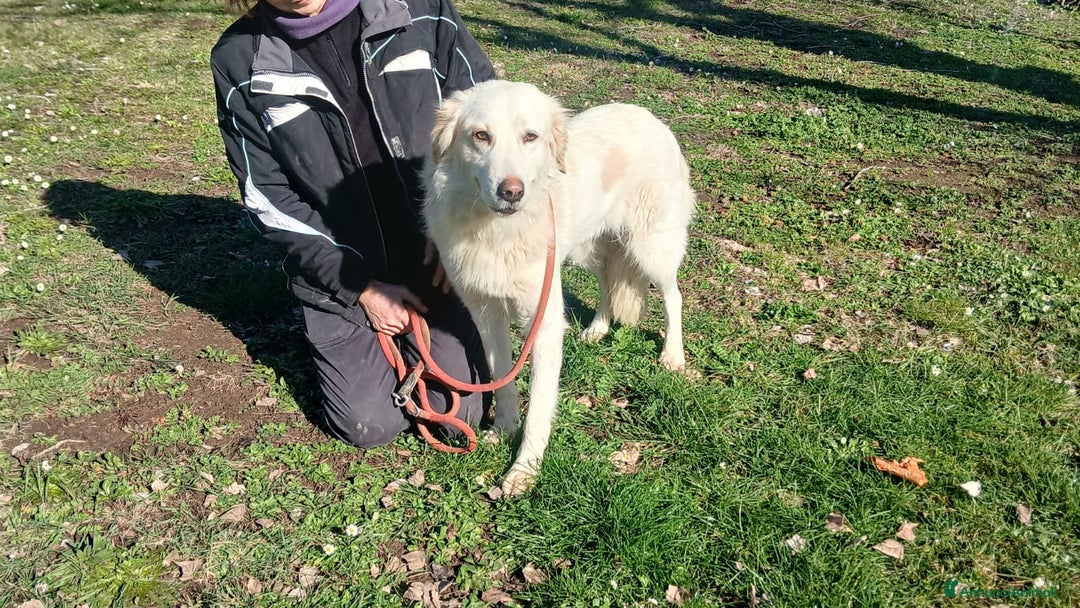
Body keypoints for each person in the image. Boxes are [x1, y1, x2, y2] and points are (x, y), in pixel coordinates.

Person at [211, 0, 496, 447]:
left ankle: (428, 334)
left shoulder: (420, 8)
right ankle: (362, 324)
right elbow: (266, 195)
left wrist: (456, 231)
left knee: (459, 413)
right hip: (341, 266)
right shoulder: (237, 58)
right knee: (368, 424)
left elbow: (489, 120)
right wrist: (361, 287)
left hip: (435, 244)